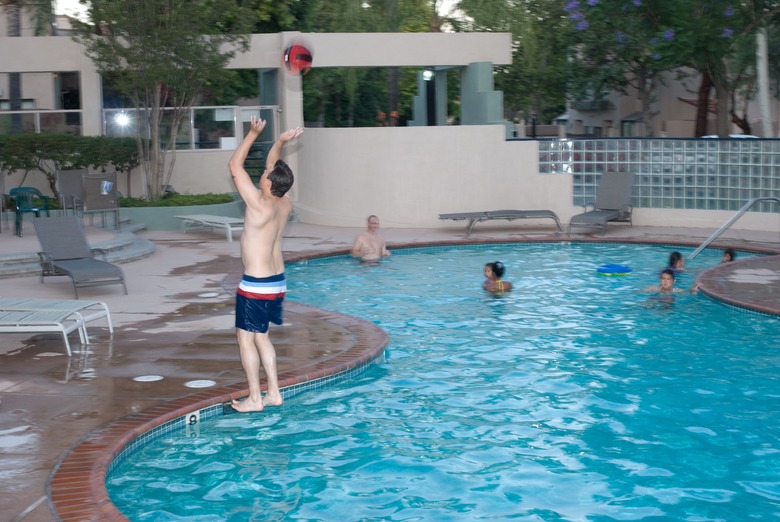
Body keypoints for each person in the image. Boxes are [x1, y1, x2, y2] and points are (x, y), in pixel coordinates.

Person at [228, 115, 303, 413]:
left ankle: (255, 399)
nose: (263, 171)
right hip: (276, 282)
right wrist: (281, 141)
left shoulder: (258, 203)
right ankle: (273, 392)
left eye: (266, 172)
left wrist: (251, 134)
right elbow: (275, 165)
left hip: (255, 284)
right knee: (263, 337)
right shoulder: (285, 202)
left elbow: (235, 167)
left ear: (270, 182)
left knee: (245, 339)